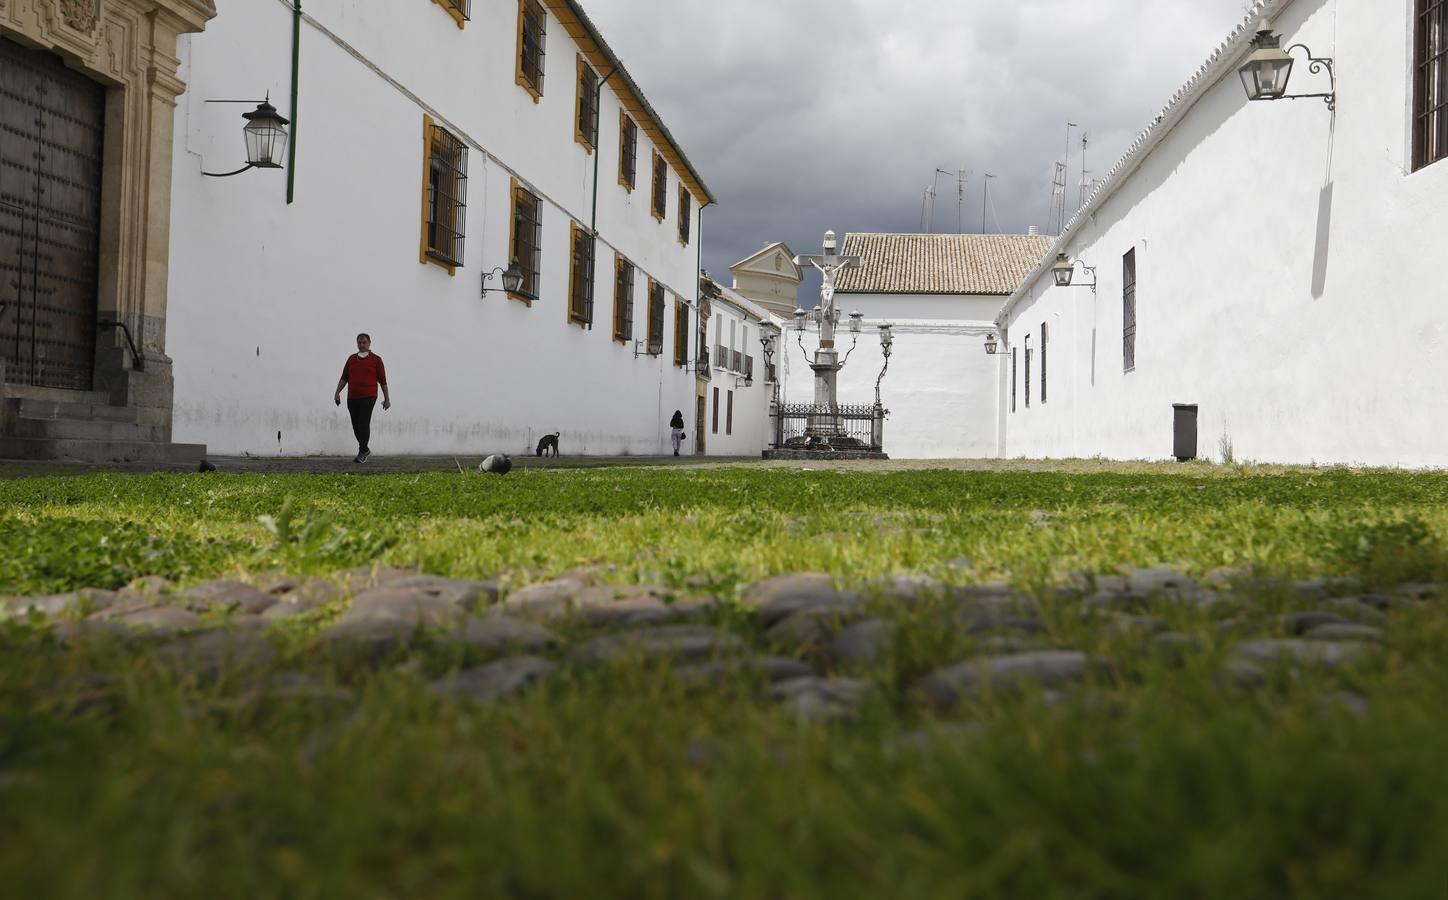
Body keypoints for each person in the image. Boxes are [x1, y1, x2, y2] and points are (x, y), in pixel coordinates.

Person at [334, 333, 390, 463]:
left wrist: (387, 399)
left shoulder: (376, 360)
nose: (362, 345)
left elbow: (383, 381)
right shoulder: (351, 359)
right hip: (352, 397)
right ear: (356, 344)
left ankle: (362, 451)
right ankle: (364, 449)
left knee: (364, 423)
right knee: (356, 425)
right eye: (359, 342)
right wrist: (337, 392)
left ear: (369, 343)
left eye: (364, 342)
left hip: (369, 396)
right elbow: (344, 377)